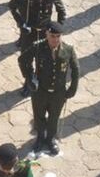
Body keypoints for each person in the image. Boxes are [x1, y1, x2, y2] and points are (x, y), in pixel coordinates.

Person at [20, 21, 79, 155]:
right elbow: (23, 60)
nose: (55, 39)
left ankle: (50, 139)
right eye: (52, 36)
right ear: (46, 34)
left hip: (58, 93)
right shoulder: (38, 47)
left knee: (54, 117)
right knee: (39, 117)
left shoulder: (68, 50)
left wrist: (72, 89)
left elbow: (76, 69)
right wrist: (29, 78)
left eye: (58, 36)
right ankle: (40, 138)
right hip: (40, 91)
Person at [9, 0, 66, 95]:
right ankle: (28, 80)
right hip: (29, 32)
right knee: (25, 59)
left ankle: (38, 81)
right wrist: (21, 23)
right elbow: (12, 6)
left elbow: (61, 10)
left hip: (46, 33)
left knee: (42, 59)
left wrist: (57, 28)